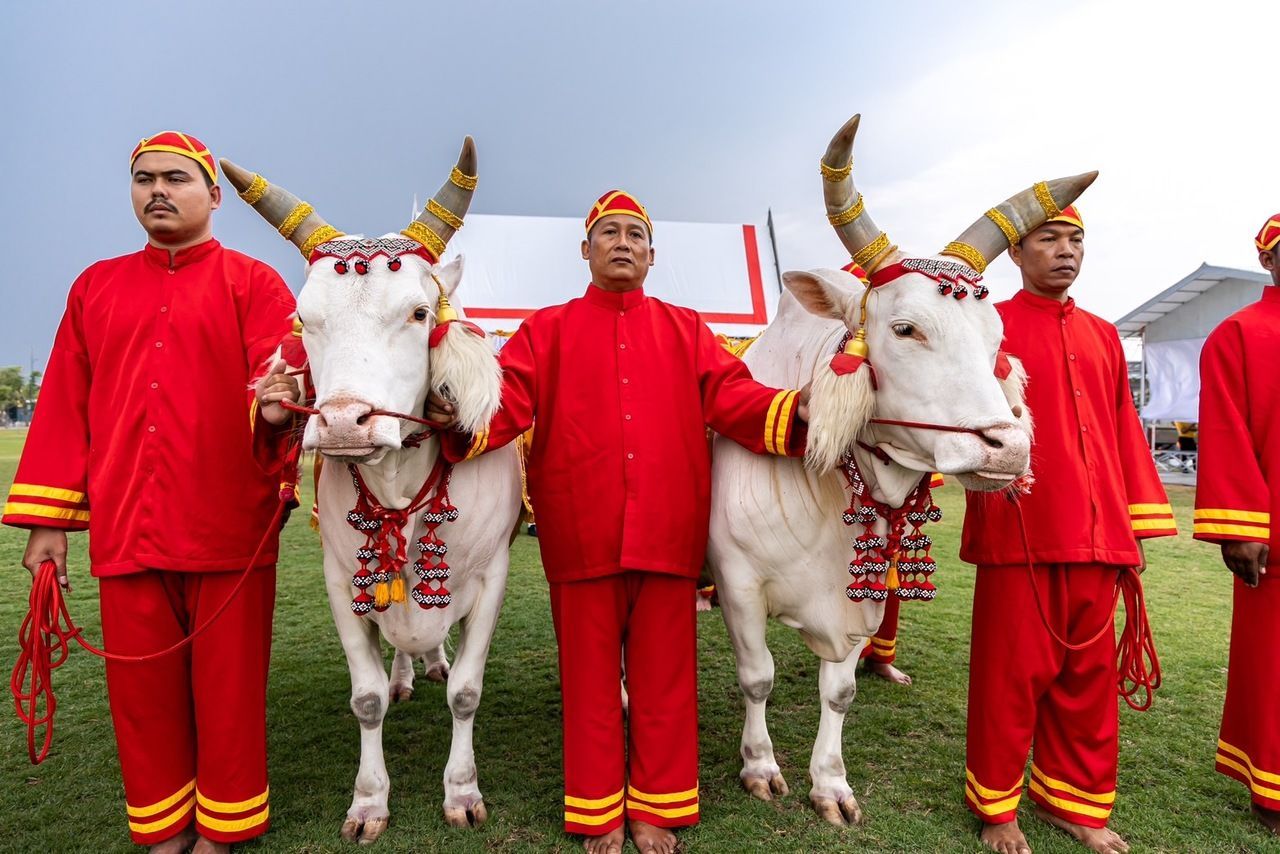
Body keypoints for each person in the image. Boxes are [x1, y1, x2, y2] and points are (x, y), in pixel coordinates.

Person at [428, 190, 808, 854]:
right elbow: (504, 402)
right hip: (580, 533)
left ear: (654, 255)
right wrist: (448, 408)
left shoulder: (688, 329)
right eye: (609, 233)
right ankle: (599, 810)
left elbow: (738, 399)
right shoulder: (545, 330)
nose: (623, 242)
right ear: (586, 250)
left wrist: (805, 409)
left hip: (669, 532)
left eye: (636, 234)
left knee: (665, 681)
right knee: (589, 681)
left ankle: (656, 808)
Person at [3, 131, 300, 854]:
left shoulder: (256, 284)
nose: (158, 190)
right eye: (144, 179)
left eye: (175, 178)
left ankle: (223, 832)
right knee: (142, 700)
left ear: (213, 195)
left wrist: (274, 407)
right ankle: (163, 830)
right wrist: (50, 526)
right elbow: (65, 407)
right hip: (126, 529)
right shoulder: (94, 287)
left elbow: (282, 382)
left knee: (228, 697)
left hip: (226, 529)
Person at [959, 205, 1177, 854]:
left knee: (1088, 683)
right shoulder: (984, 325)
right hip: (1018, 528)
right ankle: (997, 807)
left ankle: (1073, 803)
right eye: (1048, 239)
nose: (1065, 250)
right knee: (1009, 677)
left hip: (1098, 532)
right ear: (1016, 254)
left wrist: (1132, 524)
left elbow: (1121, 432)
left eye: (1076, 240)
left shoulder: (1105, 334)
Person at [1193, 213, 1280, 835]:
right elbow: (1225, 434)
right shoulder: (1239, 333)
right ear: (1269, 260)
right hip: (1274, 539)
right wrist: (1239, 526)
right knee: (1271, 665)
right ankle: (1271, 791)